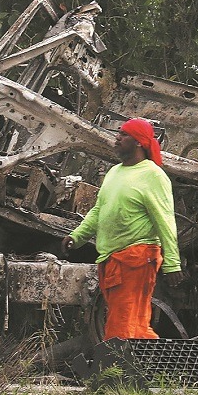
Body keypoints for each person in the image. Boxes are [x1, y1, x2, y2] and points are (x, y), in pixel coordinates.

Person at [62, 118, 182, 340]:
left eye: (124, 135)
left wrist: (172, 264)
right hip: (112, 259)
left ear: (139, 143)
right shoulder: (115, 172)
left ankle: (116, 373)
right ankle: (148, 370)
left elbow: (165, 221)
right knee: (133, 324)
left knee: (122, 326)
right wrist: (78, 236)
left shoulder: (153, 175)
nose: (117, 138)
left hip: (136, 258)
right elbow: (99, 210)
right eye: (118, 133)